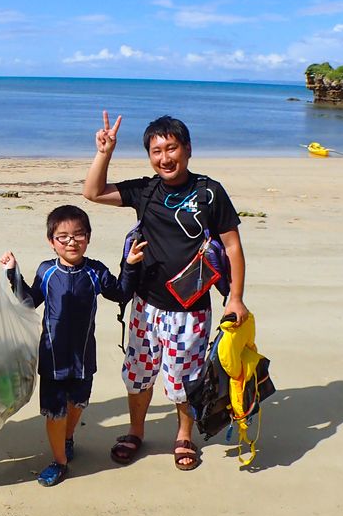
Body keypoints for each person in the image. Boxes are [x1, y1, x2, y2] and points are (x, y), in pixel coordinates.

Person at [83, 112, 247, 472]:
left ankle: (183, 435)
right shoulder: (146, 190)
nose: (164, 157)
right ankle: (136, 430)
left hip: (191, 310)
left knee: (184, 378)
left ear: (187, 150)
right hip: (145, 306)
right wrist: (104, 152)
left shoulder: (209, 192)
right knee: (138, 374)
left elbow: (232, 247)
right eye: (156, 151)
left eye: (171, 148)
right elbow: (92, 192)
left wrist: (234, 297)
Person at [0, 204, 123, 487]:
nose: (71, 242)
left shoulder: (96, 271)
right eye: (63, 237)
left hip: (84, 356)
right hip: (52, 357)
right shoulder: (47, 271)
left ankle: (67, 438)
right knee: (56, 412)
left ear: (89, 237)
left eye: (79, 235)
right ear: (51, 242)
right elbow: (29, 302)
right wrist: (12, 273)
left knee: (77, 404)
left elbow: (121, 292)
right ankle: (59, 461)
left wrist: (131, 263)